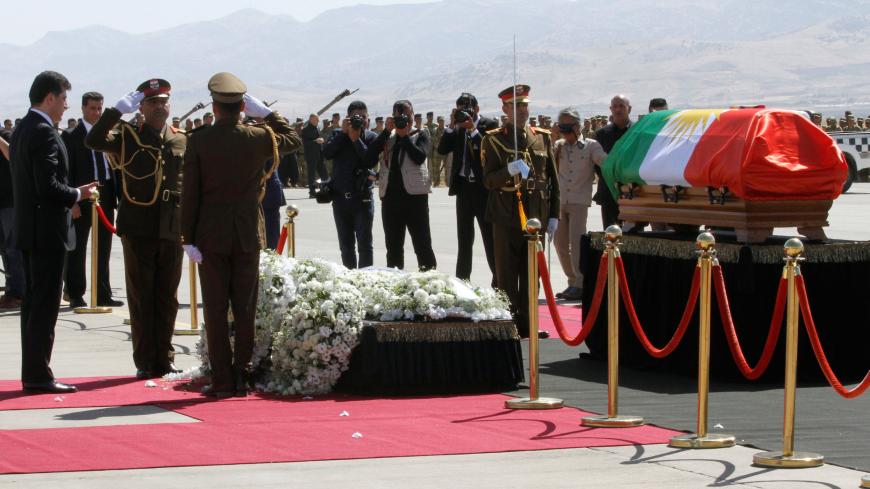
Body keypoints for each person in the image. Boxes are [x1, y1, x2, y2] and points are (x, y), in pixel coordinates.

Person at [182, 72, 301, 398]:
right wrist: (267, 114)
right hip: (248, 234)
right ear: (242, 107)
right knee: (245, 309)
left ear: (215, 107)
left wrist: (187, 238)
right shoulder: (259, 137)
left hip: (210, 236)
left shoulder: (199, 140)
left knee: (216, 310)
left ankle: (221, 380)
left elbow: (190, 194)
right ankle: (241, 376)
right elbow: (292, 138)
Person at [86, 78, 186, 380]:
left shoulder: (180, 139)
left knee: (167, 297)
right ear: (141, 106)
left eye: (163, 101)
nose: (159, 106)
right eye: (153, 102)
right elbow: (94, 140)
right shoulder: (127, 135)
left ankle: (165, 358)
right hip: (139, 226)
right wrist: (116, 111)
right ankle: (145, 360)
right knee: (142, 295)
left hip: (171, 226)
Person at [11, 71, 99, 393]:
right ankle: (38, 376)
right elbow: (47, 187)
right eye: (63, 99)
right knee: (44, 305)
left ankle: (33, 371)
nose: (65, 106)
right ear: (49, 98)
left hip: (30, 230)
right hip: (47, 232)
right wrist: (78, 194)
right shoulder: (45, 133)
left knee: (33, 306)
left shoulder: (23, 129)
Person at [482, 84, 558, 339]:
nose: (522, 110)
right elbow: (488, 180)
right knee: (506, 273)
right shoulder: (493, 139)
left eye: (524, 105)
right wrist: (508, 171)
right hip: (505, 215)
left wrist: (554, 214)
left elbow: (552, 180)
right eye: (515, 106)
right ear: (505, 109)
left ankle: (529, 323)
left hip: (535, 215)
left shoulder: (542, 137)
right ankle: (509, 323)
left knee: (531, 274)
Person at [62, 91, 122, 309]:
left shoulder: (107, 135)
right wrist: (72, 200)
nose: (96, 113)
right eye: (92, 109)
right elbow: (65, 170)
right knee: (77, 247)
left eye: (99, 109)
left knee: (104, 246)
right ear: (83, 109)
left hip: (105, 195)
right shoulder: (72, 136)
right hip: (82, 194)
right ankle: (75, 293)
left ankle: (103, 293)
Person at [438, 92, 498, 284]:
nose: (465, 115)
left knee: (490, 239)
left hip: (483, 191)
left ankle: (499, 282)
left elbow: (490, 151)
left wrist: (473, 129)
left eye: (468, 110)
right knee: (464, 240)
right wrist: (451, 126)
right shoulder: (457, 128)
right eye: (461, 110)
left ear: (477, 109)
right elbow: (441, 150)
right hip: (463, 189)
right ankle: (462, 283)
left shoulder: (488, 125)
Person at [552, 107, 605, 301]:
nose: (565, 131)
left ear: (578, 126)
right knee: (560, 244)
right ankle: (571, 280)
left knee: (576, 242)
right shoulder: (558, 146)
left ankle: (581, 283)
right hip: (559, 201)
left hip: (579, 201)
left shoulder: (591, 146)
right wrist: (552, 138)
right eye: (562, 126)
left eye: (568, 127)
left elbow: (604, 162)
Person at [376, 100, 436, 271]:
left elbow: (419, 157)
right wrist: (387, 131)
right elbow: (369, 156)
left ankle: (430, 284)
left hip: (415, 199)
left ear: (412, 115)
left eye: (408, 116)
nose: (405, 120)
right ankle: (395, 285)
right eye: (399, 117)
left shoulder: (421, 134)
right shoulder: (388, 137)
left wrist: (405, 137)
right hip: (390, 199)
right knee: (393, 249)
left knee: (422, 245)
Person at [322, 100, 381, 269]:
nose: (360, 121)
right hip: (340, 200)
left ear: (368, 119)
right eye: (356, 117)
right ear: (347, 118)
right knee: (346, 247)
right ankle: (349, 281)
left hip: (362, 199)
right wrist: (344, 133)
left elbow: (370, 160)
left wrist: (356, 140)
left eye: (363, 117)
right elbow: (327, 153)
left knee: (365, 245)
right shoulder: (337, 134)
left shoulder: (371, 137)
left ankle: (365, 280)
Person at [594, 95, 632, 227]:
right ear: (610, 109)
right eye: (615, 106)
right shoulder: (602, 134)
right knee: (610, 234)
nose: (618, 110)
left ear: (629, 109)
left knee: (632, 236)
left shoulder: (637, 132)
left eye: (622, 106)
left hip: (632, 192)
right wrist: (610, 178)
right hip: (609, 192)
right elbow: (597, 165)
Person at [0, 123, 25, 310]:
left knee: (13, 249)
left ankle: (18, 293)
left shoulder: (6, 136)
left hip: (10, 203)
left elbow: (14, 158)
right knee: (5, 249)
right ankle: (11, 290)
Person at [301, 114, 328, 197]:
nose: (318, 121)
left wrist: (322, 140)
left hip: (319, 154)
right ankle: (312, 192)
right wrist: (316, 141)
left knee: (324, 173)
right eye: (316, 119)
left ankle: (325, 189)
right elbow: (305, 143)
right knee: (311, 174)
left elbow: (320, 138)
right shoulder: (305, 130)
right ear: (311, 119)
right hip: (311, 155)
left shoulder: (318, 128)